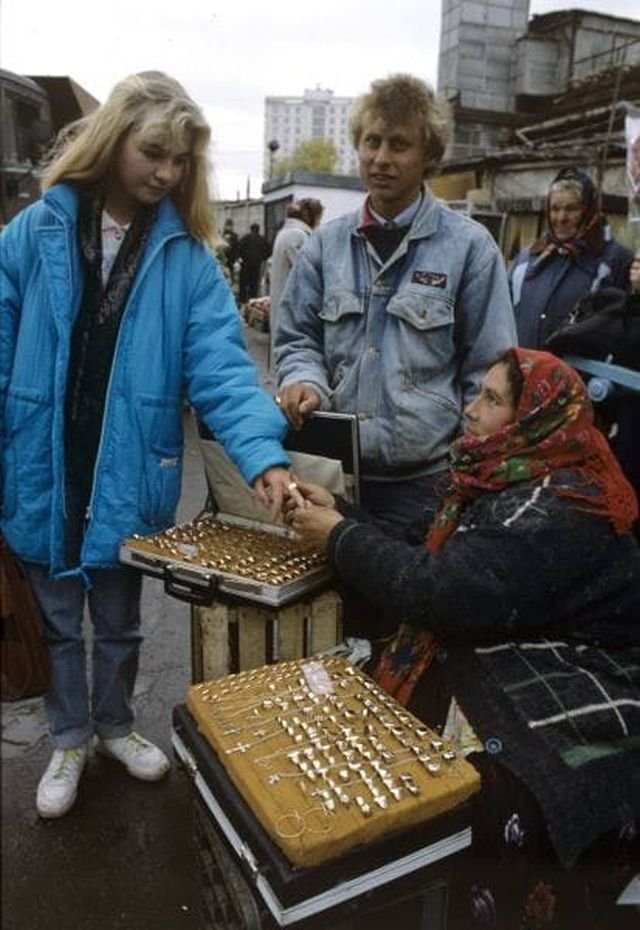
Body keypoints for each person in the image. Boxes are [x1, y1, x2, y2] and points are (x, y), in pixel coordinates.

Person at [0, 71, 298, 820]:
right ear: (115, 138)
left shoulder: (189, 260)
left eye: (180, 162)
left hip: (131, 465)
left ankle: (116, 725)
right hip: (42, 457)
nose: (166, 172)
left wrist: (262, 456)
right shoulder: (32, 233)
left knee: (124, 618)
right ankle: (69, 737)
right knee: (61, 619)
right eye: (154, 152)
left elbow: (224, 369)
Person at [285, 348, 640, 929]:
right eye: (476, 392)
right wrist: (341, 512)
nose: (469, 410)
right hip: (521, 633)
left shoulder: (557, 505)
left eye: (492, 400)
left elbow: (444, 592)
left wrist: (340, 537)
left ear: (538, 419)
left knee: (492, 781)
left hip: (585, 678)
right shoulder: (500, 474)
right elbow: (425, 546)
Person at [274, 73, 516, 531]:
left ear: (429, 156)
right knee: (332, 603)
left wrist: (464, 473)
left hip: (427, 486)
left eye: (399, 145)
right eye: (372, 141)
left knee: (411, 602)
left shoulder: (469, 248)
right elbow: (296, 339)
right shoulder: (325, 246)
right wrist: (304, 380)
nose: (381, 159)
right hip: (331, 478)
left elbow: (489, 371)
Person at [509, 166, 633, 348]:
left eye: (571, 209)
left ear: (589, 210)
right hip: (523, 370)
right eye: (554, 209)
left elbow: (625, 331)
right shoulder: (527, 260)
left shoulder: (615, 261)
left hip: (582, 375)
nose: (561, 217)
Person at [269, 198, 324, 371]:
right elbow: (307, 272)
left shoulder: (285, 232)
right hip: (294, 303)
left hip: (282, 298)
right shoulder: (298, 235)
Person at [238, 222, 270, 304]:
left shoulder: (245, 238)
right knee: (254, 283)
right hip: (256, 265)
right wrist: (262, 258)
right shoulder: (262, 239)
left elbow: (239, 248)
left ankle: (242, 300)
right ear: (258, 230)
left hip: (245, 264)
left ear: (251, 229)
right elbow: (269, 251)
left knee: (243, 283)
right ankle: (252, 300)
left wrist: (241, 257)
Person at [221, 218, 239, 285]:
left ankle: (231, 284)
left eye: (230, 225)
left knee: (231, 274)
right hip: (223, 258)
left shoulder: (235, 236)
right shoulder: (221, 235)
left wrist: (237, 258)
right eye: (227, 225)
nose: (229, 227)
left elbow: (237, 247)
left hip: (232, 258)